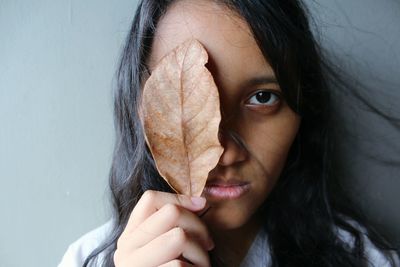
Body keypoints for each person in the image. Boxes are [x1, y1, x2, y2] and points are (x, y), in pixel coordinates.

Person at [59, 0, 399, 266]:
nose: (225, 151)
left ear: (302, 108)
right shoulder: (85, 260)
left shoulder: (367, 261)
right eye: (187, 100)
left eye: (263, 97)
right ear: (141, 107)